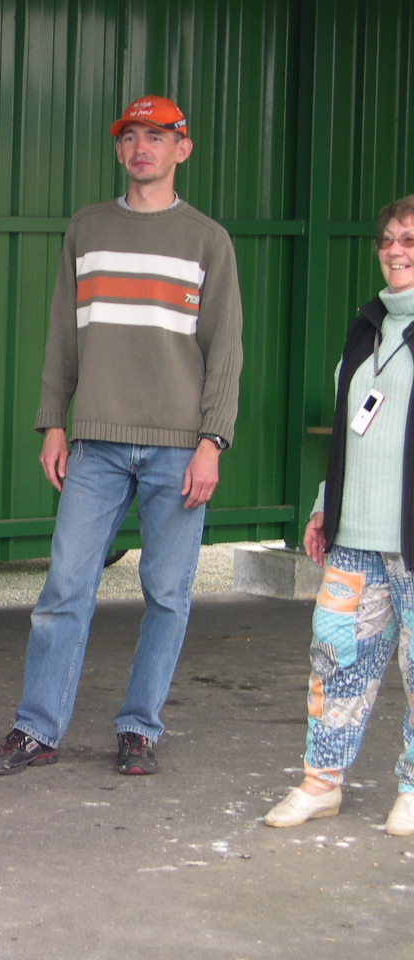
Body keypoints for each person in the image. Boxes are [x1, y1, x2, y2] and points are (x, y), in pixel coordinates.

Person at [0, 95, 243, 778]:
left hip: (180, 446)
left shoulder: (208, 239)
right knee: (64, 588)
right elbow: (63, 333)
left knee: (167, 592)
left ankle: (140, 727)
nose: (141, 148)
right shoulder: (87, 229)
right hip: (93, 441)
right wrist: (53, 423)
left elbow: (225, 350)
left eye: (156, 137)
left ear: (182, 148)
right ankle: (37, 729)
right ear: (119, 148)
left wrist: (213, 440)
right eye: (130, 137)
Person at [264, 195, 414, 835]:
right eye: (386, 240)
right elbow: (349, 435)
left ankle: (412, 788)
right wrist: (326, 508)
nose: (395, 250)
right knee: (335, 657)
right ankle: (321, 782)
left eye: (409, 238)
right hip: (355, 537)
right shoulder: (367, 328)